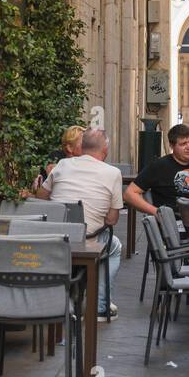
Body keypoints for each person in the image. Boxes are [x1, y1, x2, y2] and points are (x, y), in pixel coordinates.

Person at [32, 127, 122, 320]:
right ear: (105, 151)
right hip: (89, 239)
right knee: (114, 247)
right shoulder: (113, 173)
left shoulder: (62, 165)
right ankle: (99, 305)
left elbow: (41, 198)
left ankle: (67, 299)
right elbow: (112, 220)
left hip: (56, 237)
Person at [125, 123, 189, 216]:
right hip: (176, 226)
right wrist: (156, 212)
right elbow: (129, 194)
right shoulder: (159, 166)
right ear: (172, 146)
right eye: (183, 144)